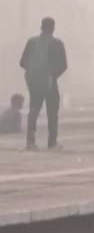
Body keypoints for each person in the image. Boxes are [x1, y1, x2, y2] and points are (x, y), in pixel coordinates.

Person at [19, 17, 68, 150]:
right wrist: (52, 75)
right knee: (52, 113)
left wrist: (34, 73)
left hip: (34, 84)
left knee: (33, 111)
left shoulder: (31, 42)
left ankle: (30, 142)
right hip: (50, 83)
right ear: (53, 28)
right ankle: (52, 143)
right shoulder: (57, 43)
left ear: (41, 27)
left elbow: (22, 62)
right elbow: (64, 65)